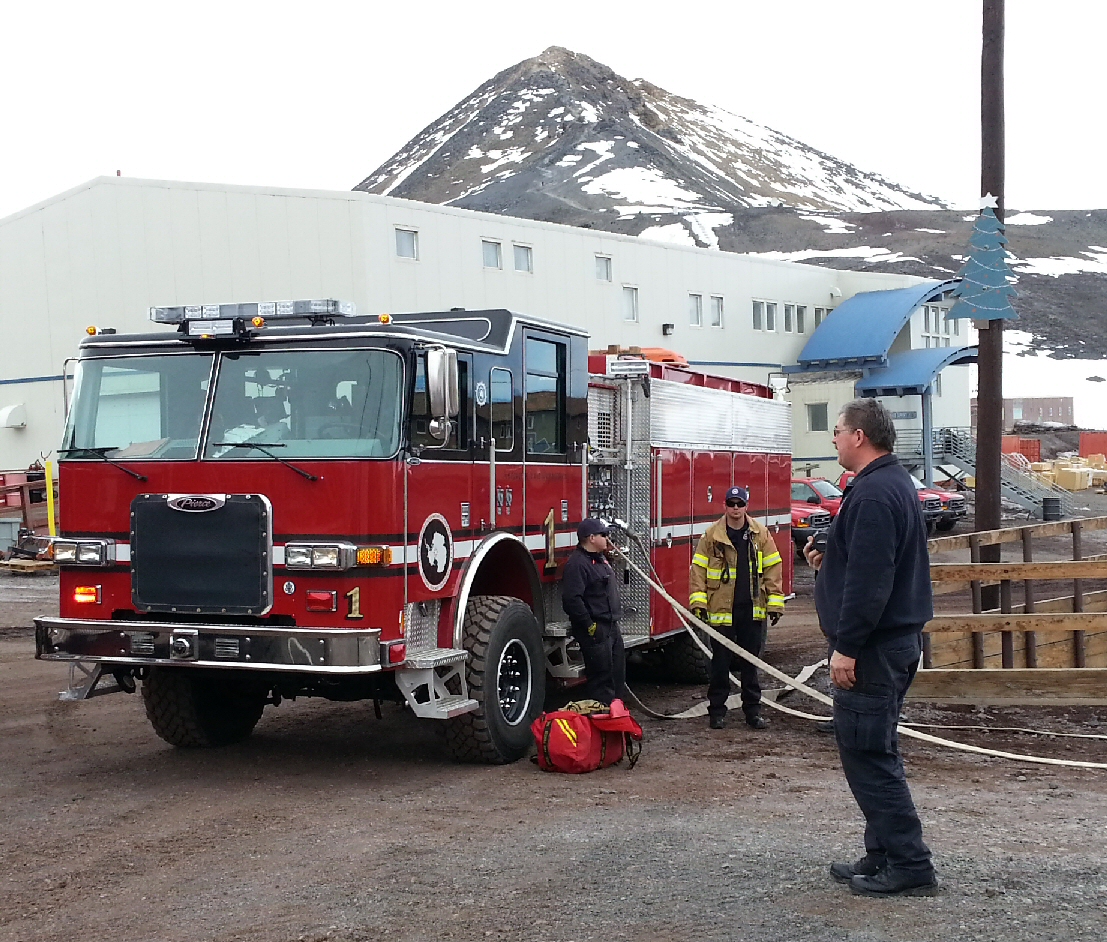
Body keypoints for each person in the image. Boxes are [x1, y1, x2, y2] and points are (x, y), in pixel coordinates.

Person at [804, 398, 938, 898]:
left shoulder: (876, 493)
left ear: (859, 436)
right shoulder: (889, 483)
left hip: (875, 650)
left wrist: (848, 647)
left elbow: (872, 581)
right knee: (874, 748)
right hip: (889, 644)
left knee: (868, 754)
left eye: (838, 430)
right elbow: (867, 565)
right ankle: (881, 854)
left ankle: (910, 864)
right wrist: (830, 562)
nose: (834, 438)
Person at [689, 485, 785, 730]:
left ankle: (753, 712)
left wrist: (775, 602)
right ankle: (717, 712)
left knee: (750, 664)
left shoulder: (760, 534)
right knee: (720, 664)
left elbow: (773, 567)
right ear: (724, 505)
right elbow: (698, 570)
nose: (735, 508)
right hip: (722, 609)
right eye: (731, 504)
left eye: (739, 504)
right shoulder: (712, 536)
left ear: (746, 506)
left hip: (751, 609)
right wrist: (698, 602)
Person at [560, 518, 626, 705]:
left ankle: (617, 713)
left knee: (617, 675)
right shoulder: (577, 564)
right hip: (596, 630)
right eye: (604, 535)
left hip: (611, 627)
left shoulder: (600, 559)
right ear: (591, 538)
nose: (608, 538)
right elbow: (572, 600)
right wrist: (589, 625)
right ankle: (603, 716)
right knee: (602, 680)